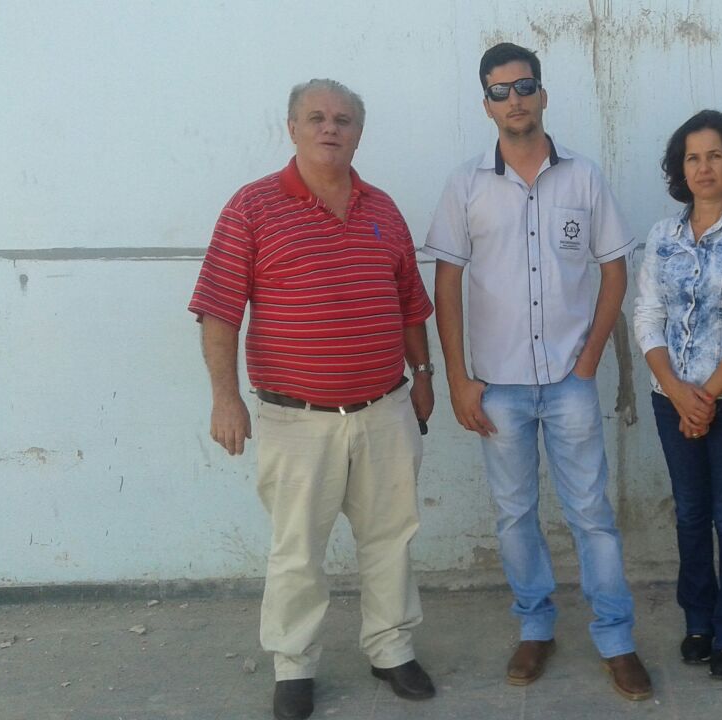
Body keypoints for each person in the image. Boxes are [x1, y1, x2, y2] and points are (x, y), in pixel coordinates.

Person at [189, 79, 437, 720]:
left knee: (391, 537)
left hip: (385, 409)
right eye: (317, 117)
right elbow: (219, 310)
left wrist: (424, 375)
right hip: (296, 418)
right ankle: (294, 665)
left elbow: (410, 303)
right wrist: (225, 399)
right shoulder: (252, 207)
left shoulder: (383, 209)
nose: (331, 128)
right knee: (297, 550)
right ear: (293, 128)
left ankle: (391, 649)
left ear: (359, 133)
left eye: (343, 119)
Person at [423, 43, 651, 701]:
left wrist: (590, 356)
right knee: (514, 515)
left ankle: (616, 638)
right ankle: (535, 625)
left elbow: (614, 270)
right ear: (487, 105)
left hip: (570, 382)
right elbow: (447, 285)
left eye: (524, 86)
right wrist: (459, 377)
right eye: (499, 91)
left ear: (543, 95)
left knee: (592, 515)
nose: (514, 99)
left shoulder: (584, 177)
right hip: (498, 387)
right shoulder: (466, 185)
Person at [632, 109, 722, 680]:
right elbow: (647, 315)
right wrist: (676, 391)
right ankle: (699, 621)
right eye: (693, 157)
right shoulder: (662, 236)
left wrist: (704, 397)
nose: (704, 166)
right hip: (670, 398)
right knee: (690, 513)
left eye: (715, 155)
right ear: (680, 168)